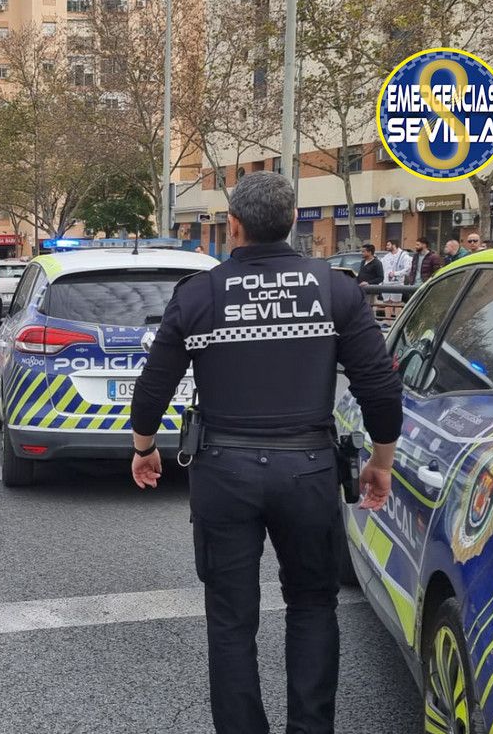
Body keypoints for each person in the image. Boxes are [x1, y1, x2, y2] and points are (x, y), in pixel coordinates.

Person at [129, 172, 401, 734]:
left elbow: (154, 384)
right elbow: (378, 385)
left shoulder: (198, 294)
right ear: (294, 220)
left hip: (223, 472)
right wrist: (382, 460)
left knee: (230, 620)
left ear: (233, 226)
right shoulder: (337, 290)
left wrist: (145, 447)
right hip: (308, 471)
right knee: (312, 606)